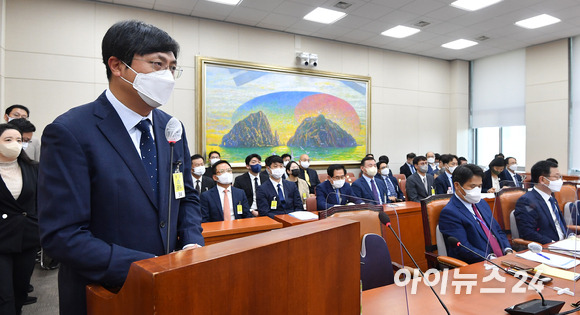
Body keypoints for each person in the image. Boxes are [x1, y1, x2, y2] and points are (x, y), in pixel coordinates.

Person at [37, 21, 203, 315]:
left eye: (172, 67)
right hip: (105, 293)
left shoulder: (170, 127)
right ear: (117, 65)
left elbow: (186, 195)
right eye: (157, 64)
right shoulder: (71, 131)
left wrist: (191, 242)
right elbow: (62, 235)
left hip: (169, 286)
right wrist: (143, 267)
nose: (167, 76)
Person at [0, 124, 39, 315]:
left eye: (20, 140)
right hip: (1, 239)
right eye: (8, 140)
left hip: (27, 238)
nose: (15, 144)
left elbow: (42, 200)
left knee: (20, 290)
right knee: (3, 295)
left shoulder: (33, 168)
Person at [439, 164, 512, 264]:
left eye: (479, 186)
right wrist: (490, 258)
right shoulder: (450, 213)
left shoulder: (482, 203)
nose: (477, 190)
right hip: (479, 264)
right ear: (457, 185)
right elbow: (463, 248)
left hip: (502, 260)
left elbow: (498, 231)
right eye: (472, 186)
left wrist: (508, 250)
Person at [514, 160, 567, 244]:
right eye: (556, 177)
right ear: (542, 179)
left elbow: (559, 225)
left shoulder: (552, 198)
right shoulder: (527, 201)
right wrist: (552, 243)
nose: (560, 180)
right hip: (547, 246)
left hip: (563, 243)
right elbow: (528, 232)